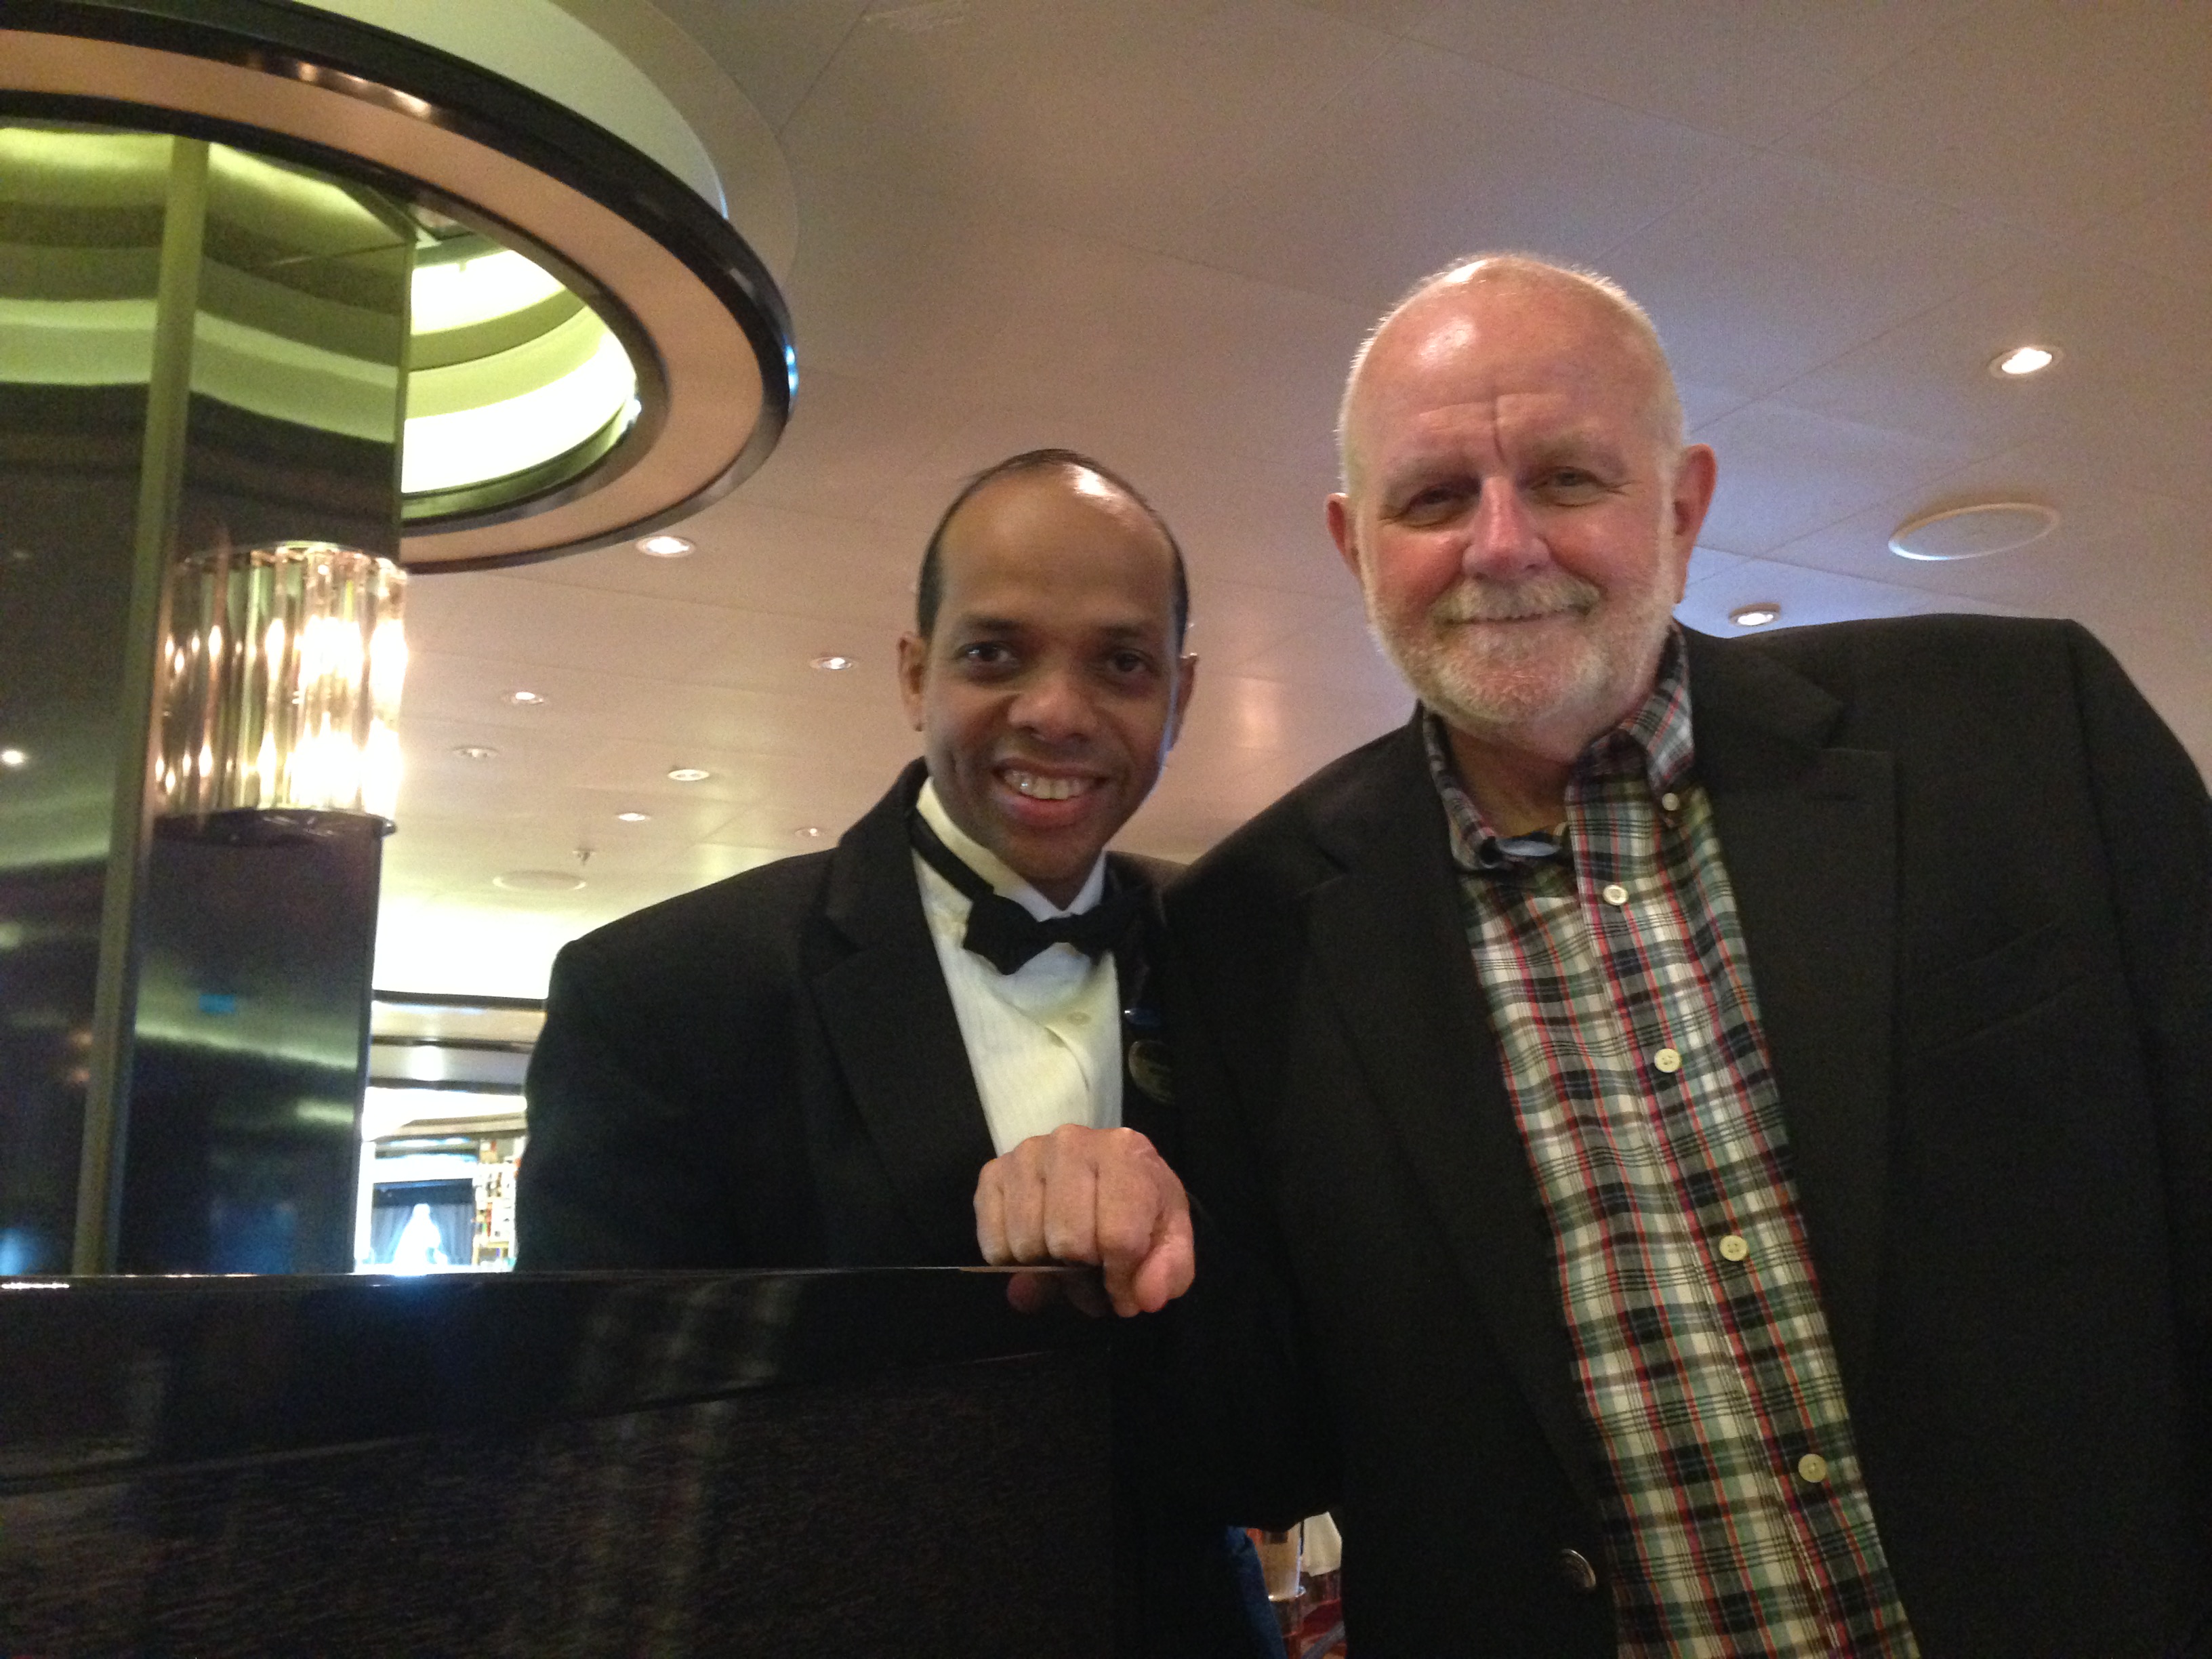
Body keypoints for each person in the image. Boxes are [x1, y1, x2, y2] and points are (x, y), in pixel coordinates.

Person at [976, 257, 2211, 1655]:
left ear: (1680, 505)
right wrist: (1123, 1263)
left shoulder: (2026, 731)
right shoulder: (1247, 933)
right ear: (1354, 545)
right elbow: (1266, 1451)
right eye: (1434, 499)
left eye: (1567, 479)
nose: (1502, 546)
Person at [516, 448, 1282, 1658]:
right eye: (995, 654)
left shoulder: (1242, 959)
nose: (1057, 710)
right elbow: (604, 1475)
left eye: (1122, 663)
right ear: (916, 670)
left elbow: (1290, 1407)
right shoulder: (663, 995)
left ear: (1179, 697)